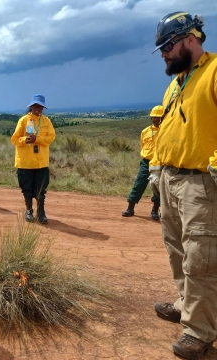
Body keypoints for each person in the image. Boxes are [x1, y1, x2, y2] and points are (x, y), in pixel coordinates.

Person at [148, 11, 217, 360]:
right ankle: (185, 304)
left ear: (191, 39)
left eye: (168, 45)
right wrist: (157, 167)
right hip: (171, 179)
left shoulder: (215, 71)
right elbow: (169, 129)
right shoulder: (178, 80)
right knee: (177, 250)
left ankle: (200, 331)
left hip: (201, 185)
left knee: (200, 258)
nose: (163, 53)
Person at [11, 94, 56, 224]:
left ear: (43, 108)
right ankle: (29, 210)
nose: (37, 108)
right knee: (27, 188)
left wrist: (38, 139)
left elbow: (51, 138)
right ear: (31, 106)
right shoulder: (23, 120)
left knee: (41, 189)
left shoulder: (47, 121)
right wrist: (25, 140)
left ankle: (41, 212)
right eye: (35, 105)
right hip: (25, 162)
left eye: (40, 106)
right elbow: (14, 139)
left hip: (41, 162)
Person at [122, 105, 163, 220]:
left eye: (159, 117)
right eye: (154, 117)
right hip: (146, 162)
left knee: (158, 187)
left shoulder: (166, 131)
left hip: (160, 163)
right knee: (139, 183)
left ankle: (155, 210)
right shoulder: (145, 132)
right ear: (151, 118)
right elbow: (142, 146)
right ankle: (130, 208)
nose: (156, 120)